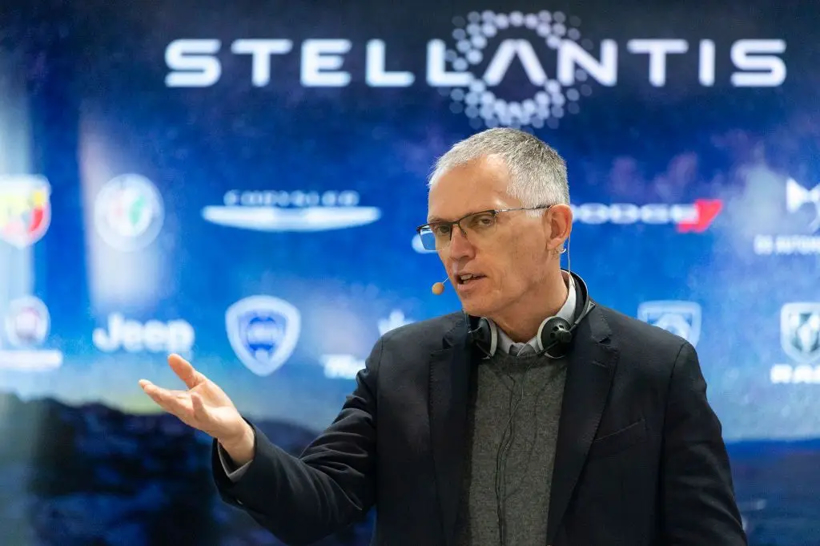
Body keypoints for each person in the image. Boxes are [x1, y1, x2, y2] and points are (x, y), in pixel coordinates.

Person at [139, 128, 747, 546]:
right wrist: (241, 441)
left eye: (482, 221)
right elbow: (318, 503)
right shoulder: (403, 361)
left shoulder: (656, 366)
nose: (457, 250)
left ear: (555, 227)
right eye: (441, 230)